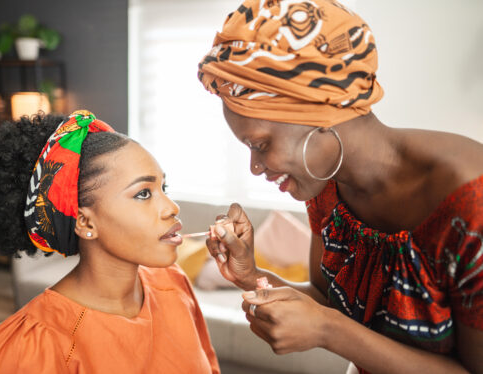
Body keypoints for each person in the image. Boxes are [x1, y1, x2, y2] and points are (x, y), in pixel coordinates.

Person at [197, 1, 483, 373]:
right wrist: (250, 275)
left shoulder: (470, 202)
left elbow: (332, 323)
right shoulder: (326, 183)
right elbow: (328, 303)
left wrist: (330, 332)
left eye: (261, 144)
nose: (254, 167)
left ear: (320, 116)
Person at [0, 110, 220, 373]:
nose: (172, 207)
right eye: (144, 193)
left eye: (163, 189)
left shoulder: (172, 282)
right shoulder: (29, 349)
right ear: (85, 222)